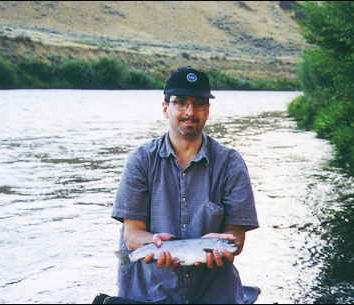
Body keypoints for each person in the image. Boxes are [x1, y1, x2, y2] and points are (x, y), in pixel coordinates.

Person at [111, 66, 259, 304]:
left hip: (214, 293)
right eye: (180, 102)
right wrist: (155, 242)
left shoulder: (231, 163)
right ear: (165, 108)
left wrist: (226, 240)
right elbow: (132, 236)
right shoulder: (140, 160)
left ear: (208, 110)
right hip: (148, 294)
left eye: (199, 103)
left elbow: (237, 239)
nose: (190, 111)